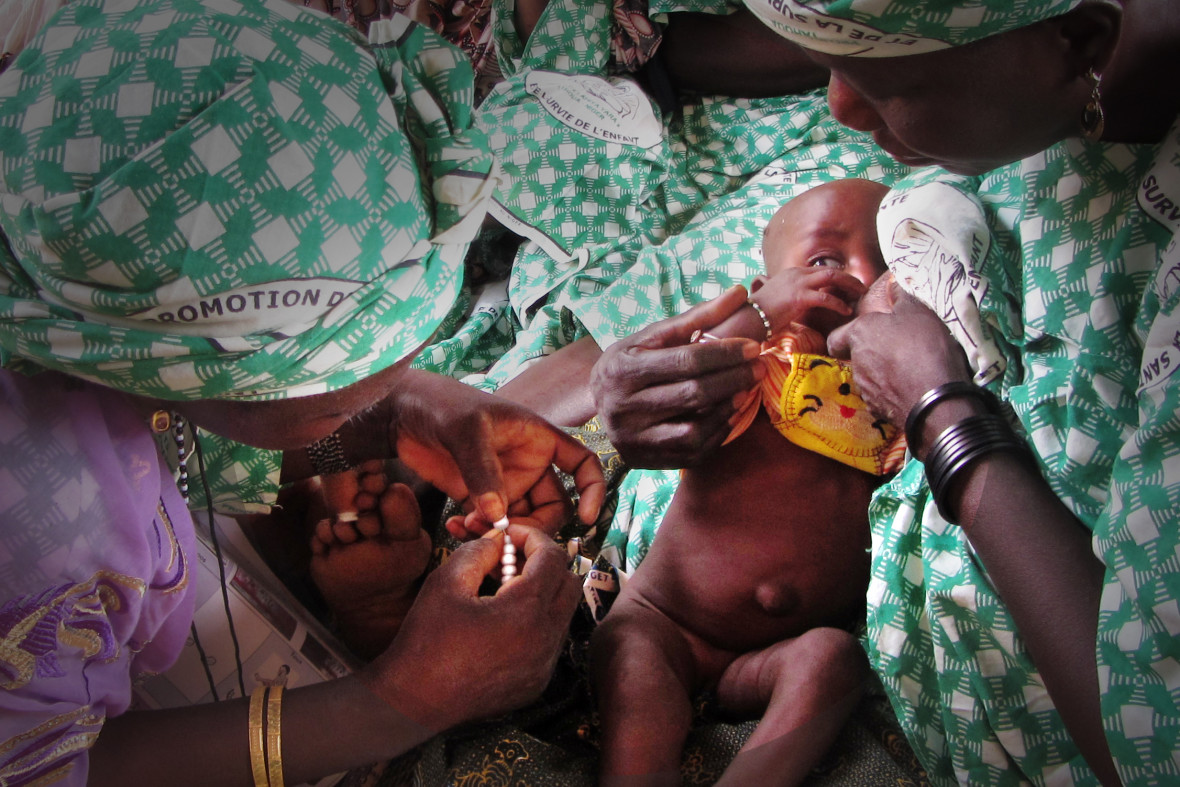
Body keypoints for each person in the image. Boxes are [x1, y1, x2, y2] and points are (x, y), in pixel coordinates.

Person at [0, 1, 606, 784]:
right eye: (345, 399)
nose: (377, 396)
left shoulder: (77, 319)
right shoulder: (46, 530)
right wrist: (399, 701)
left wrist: (392, 421)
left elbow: (181, 432)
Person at [595, 0, 1180, 784]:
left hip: (836, 636)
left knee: (823, 666)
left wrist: (941, 411)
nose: (835, 105)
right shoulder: (997, 119)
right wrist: (636, 397)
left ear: (1079, 41)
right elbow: (700, 337)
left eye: (883, 77)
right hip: (671, 602)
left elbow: (1151, 734)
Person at [589, 178, 905, 786]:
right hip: (665, 627)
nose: (861, 275)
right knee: (635, 688)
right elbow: (694, 361)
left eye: (889, 260)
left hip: (772, 659)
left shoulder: (890, 386)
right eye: (824, 260)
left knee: (833, 662)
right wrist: (755, 316)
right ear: (768, 289)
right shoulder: (752, 366)